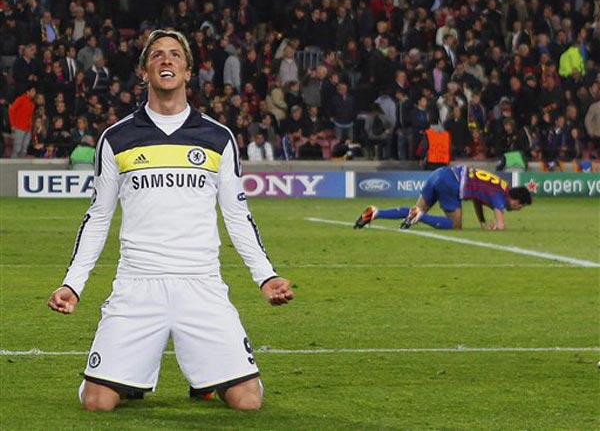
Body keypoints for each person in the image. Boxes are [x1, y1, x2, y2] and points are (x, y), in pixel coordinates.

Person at [47, 29, 293, 412]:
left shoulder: (218, 137)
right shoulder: (116, 138)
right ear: (144, 71)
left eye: (176, 54)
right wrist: (72, 284)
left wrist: (266, 276)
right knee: (97, 402)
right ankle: (128, 380)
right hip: (137, 284)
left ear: (188, 71)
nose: (166, 60)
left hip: (201, 283)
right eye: (157, 54)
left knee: (248, 402)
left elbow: (237, 215)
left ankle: (210, 378)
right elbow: (98, 217)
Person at [354, 166, 531, 231]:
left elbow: (478, 199)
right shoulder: (501, 197)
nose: (517, 210)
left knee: (414, 211)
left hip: (440, 173)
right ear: (516, 201)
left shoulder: (499, 186)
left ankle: (375, 213)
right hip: (451, 183)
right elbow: (501, 226)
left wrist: (483, 223)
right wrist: (495, 227)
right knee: (455, 225)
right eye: (520, 207)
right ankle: (421, 217)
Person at [8, 84, 36, 158]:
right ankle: (13, 164)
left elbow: (30, 117)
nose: (34, 93)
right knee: (17, 149)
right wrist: (13, 125)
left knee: (24, 150)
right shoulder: (20, 99)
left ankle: (21, 164)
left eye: (34, 91)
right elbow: (11, 110)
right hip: (19, 127)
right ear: (27, 92)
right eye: (32, 91)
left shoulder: (32, 103)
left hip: (28, 129)